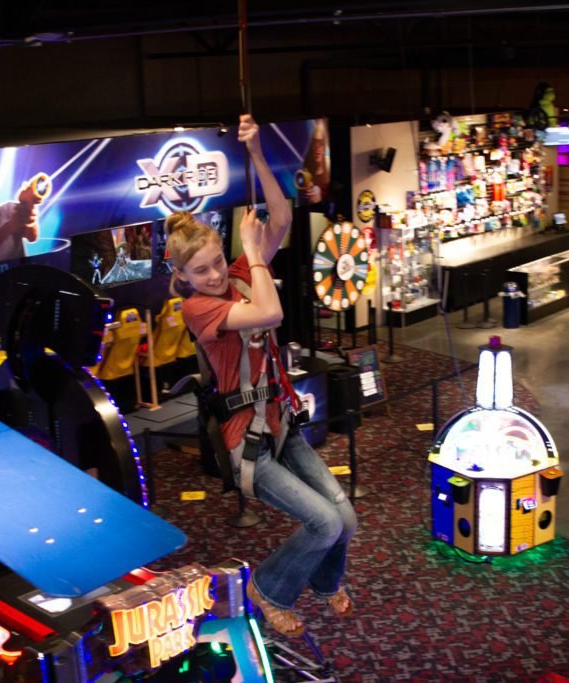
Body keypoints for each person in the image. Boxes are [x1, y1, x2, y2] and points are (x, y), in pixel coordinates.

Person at [165, 114, 357, 638]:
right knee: (322, 522)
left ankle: (321, 582)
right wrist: (252, 254)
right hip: (246, 440)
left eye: (214, 263)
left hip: (279, 421)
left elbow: (280, 215)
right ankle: (269, 588)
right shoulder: (199, 309)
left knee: (346, 520)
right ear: (181, 276)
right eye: (200, 270)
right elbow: (271, 314)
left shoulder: (239, 277)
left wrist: (255, 152)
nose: (213, 275)